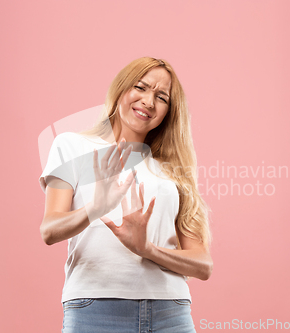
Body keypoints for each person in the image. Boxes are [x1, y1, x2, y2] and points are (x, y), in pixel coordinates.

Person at [39, 57, 213, 333]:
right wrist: (96, 207)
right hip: (95, 308)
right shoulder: (71, 145)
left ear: (168, 111)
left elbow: (203, 265)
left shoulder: (173, 169)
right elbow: (50, 230)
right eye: (140, 87)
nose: (148, 101)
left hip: (171, 311)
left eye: (161, 97)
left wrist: (147, 250)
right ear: (121, 89)